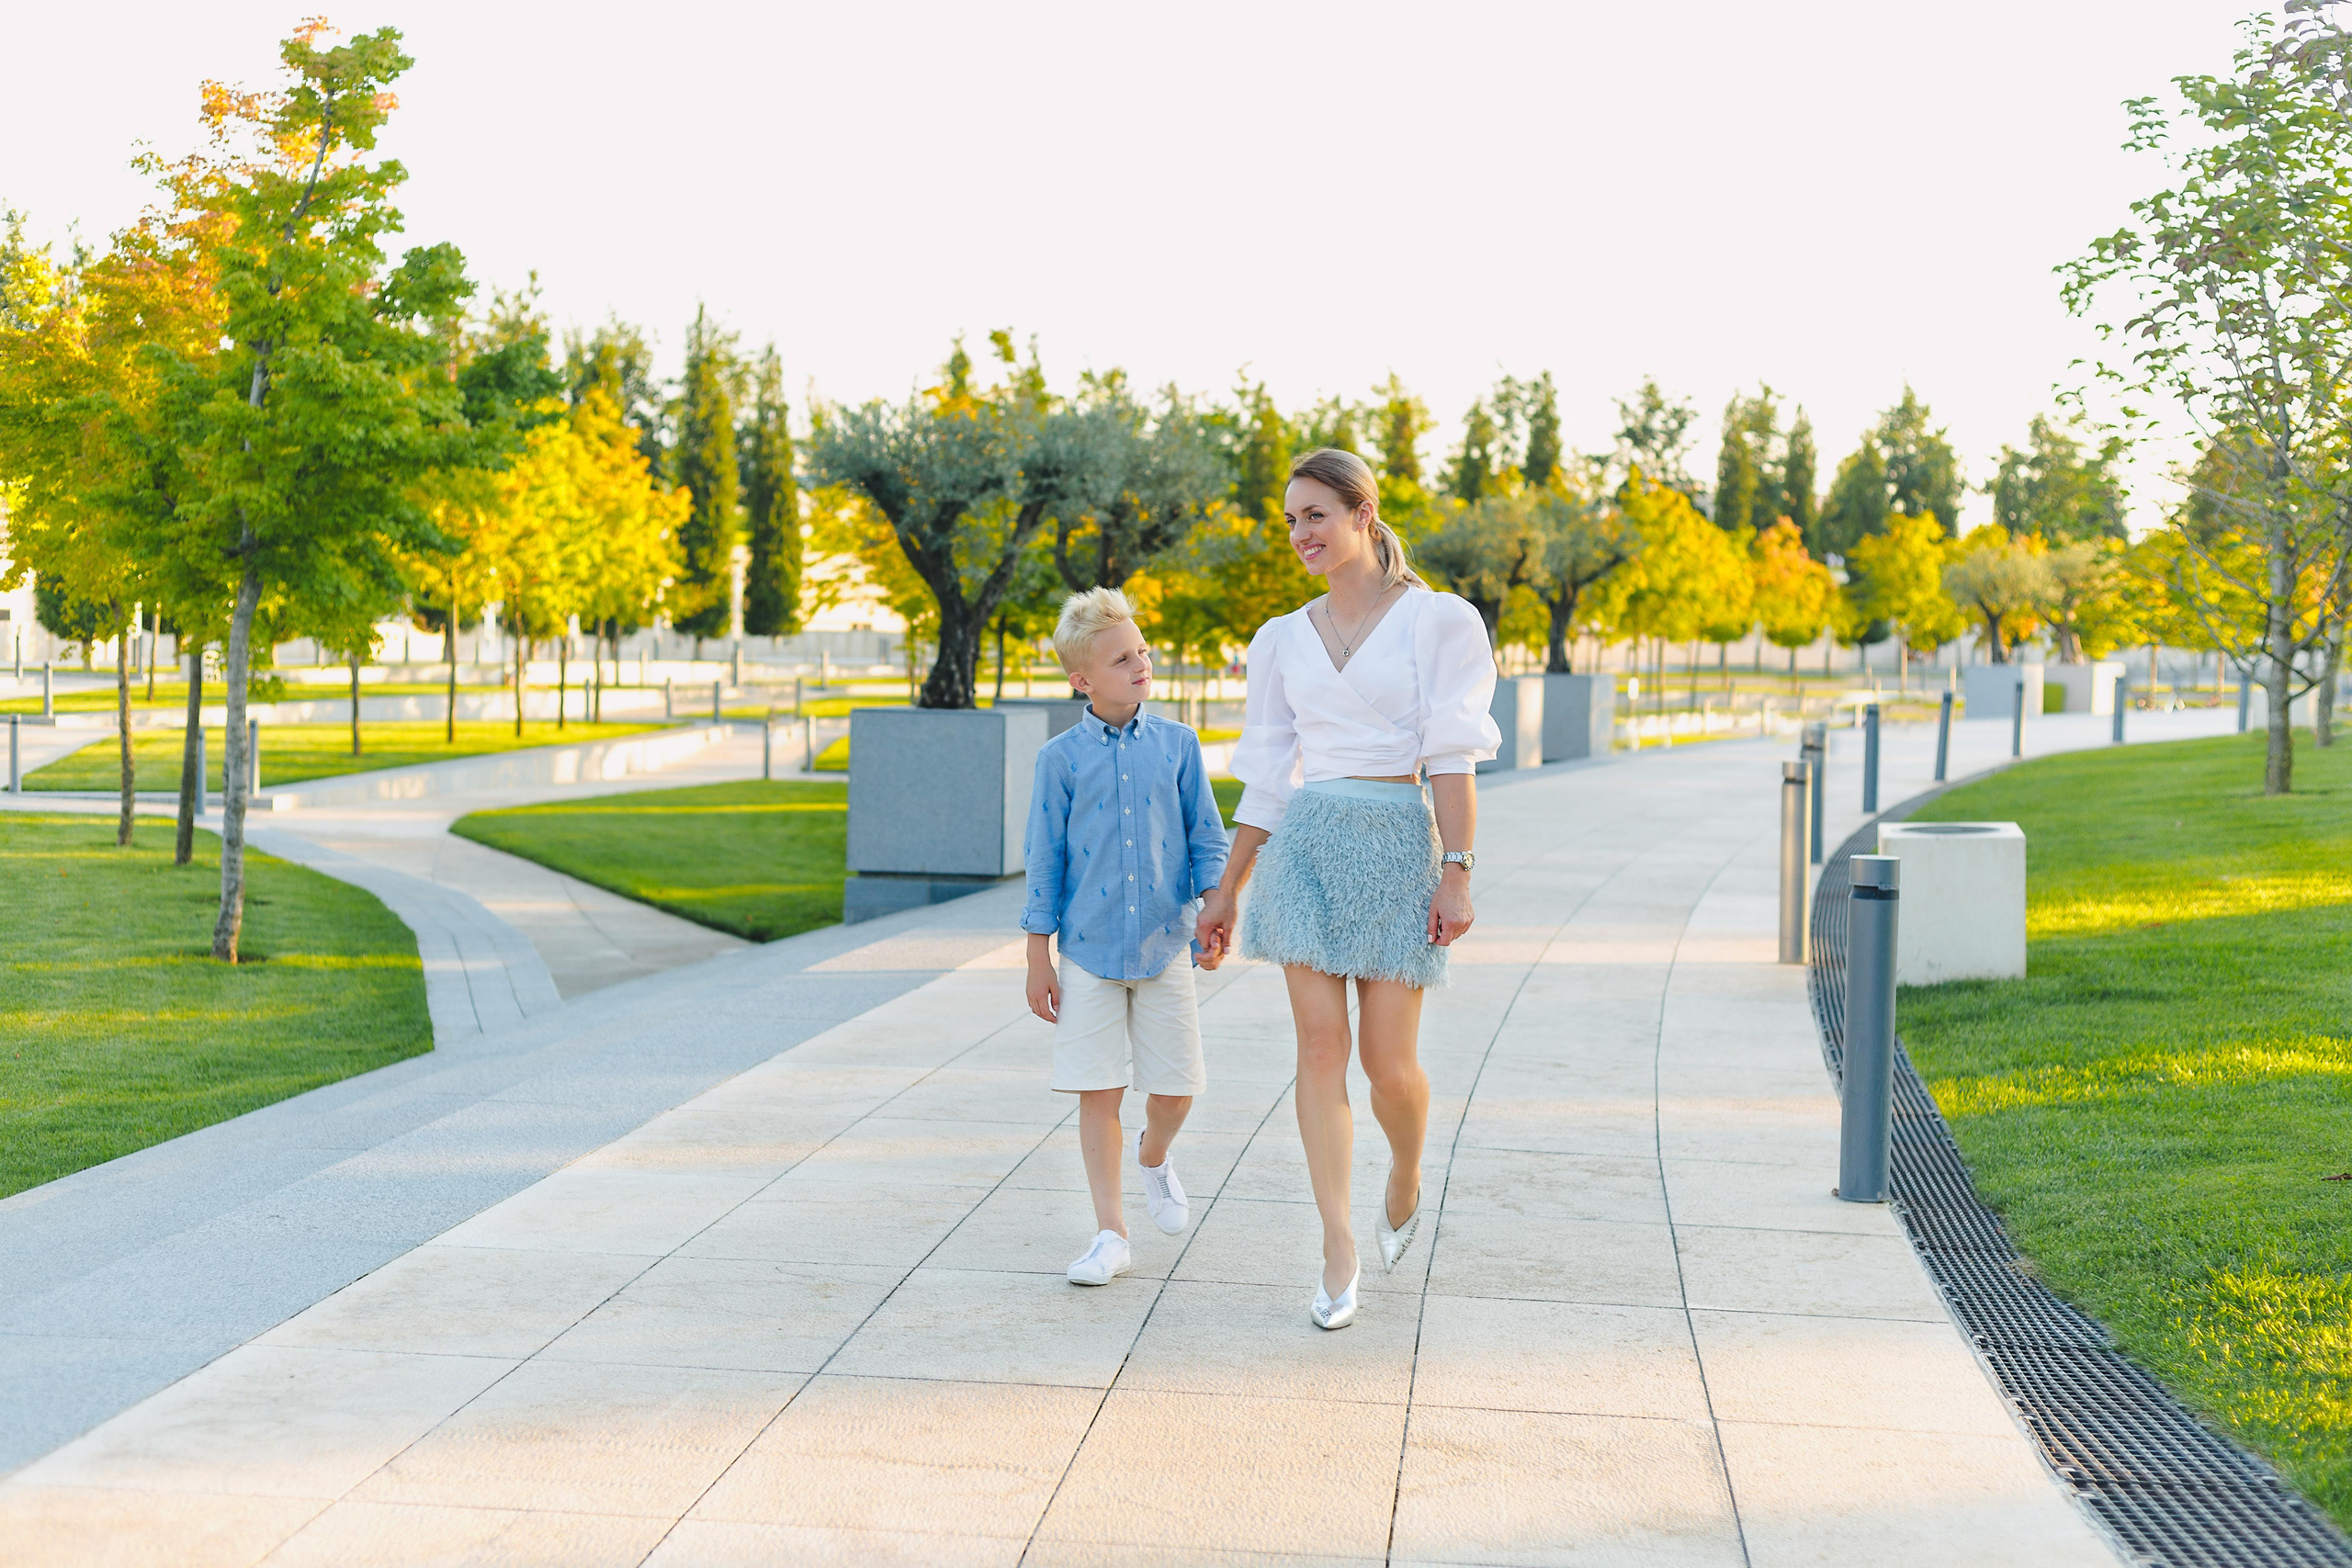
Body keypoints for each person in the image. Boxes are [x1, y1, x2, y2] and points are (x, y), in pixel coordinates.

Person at [1194, 448, 1498, 1330]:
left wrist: (1459, 872)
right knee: (1319, 1051)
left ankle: (1404, 1173)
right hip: (1307, 848)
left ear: (1363, 513)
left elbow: (1451, 756)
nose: (1300, 534)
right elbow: (1266, 778)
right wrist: (1225, 890)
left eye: (1315, 515)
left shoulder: (1439, 622)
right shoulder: (1280, 638)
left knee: (1387, 1065)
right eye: (1290, 519)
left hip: (1399, 845)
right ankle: (1337, 1245)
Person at [1022, 586, 1230, 1287]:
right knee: (1098, 1090)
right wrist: (1037, 957)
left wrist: (1215, 910)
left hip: (1167, 943)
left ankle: (1154, 1155)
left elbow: (1207, 838)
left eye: (1141, 650)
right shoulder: (1060, 760)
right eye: (1121, 659)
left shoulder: (1179, 745)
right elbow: (1044, 862)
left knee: (1178, 1089)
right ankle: (1111, 1232)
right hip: (1085, 952)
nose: (1141, 664)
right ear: (1082, 679)